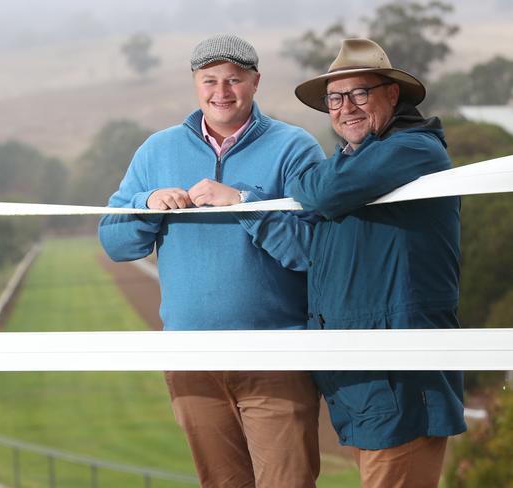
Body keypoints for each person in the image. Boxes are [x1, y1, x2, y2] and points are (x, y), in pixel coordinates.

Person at [98, 34, 324, 488]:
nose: (222, 92)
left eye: (234, 80)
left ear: (255, 82)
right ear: (195, 84)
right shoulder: (156, 151)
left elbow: (314, 250)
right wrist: (147, 204)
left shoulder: (294, 148)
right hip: (191, 360)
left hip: (276, 358)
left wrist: (244, 203)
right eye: (211, 80)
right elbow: (115, 243)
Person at [289, 38, 467, 488]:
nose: (346, 107)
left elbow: (319, 191)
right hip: (365, 368)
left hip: (399, 372)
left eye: (360, 93)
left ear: (393, 94)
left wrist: (305, 182)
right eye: (335, 97)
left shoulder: (413, 149)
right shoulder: (357, 160)